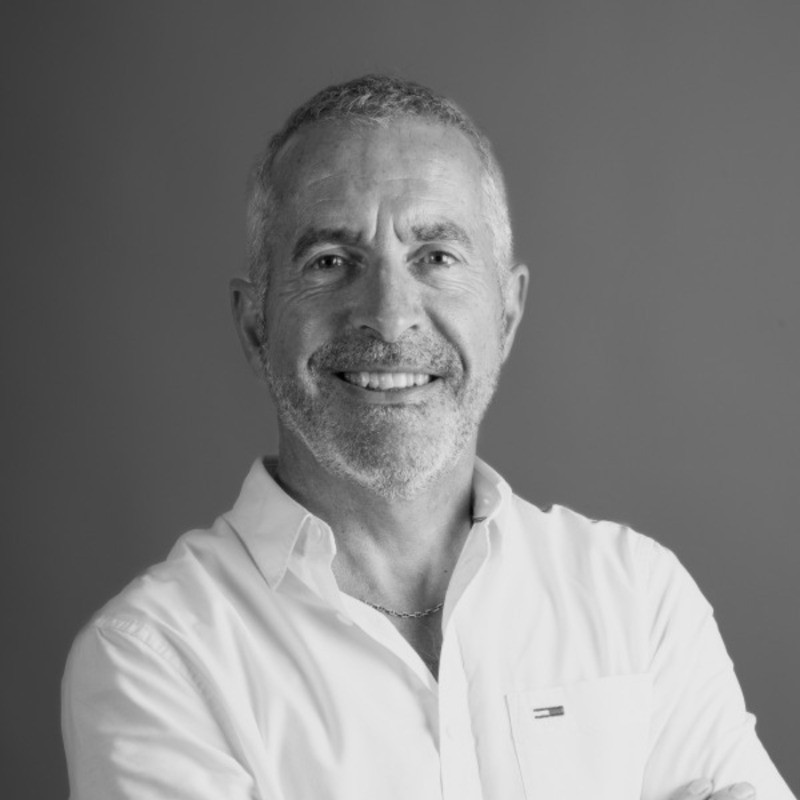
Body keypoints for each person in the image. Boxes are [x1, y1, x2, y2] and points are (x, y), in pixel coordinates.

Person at [61, 75, 795, 800]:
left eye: (436, 257)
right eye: (330, 262)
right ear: (256, 326)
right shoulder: (156, 659)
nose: (389, 316)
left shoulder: (638, 598)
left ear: (506, 315)